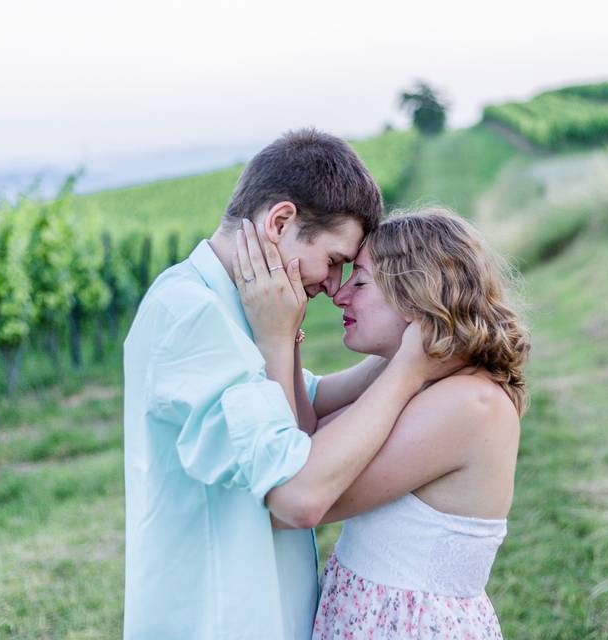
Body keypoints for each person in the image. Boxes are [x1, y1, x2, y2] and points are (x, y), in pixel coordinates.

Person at [122, 129, 455, 640]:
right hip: (222, 616)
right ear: (281, 221)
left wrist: (418, 340)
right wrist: (281, 339)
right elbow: (290, 480)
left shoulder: (235, 305)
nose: (332, 285)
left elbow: (307, 404)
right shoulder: (190, 314)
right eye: (335, 261)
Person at [237, 208, 530, 639]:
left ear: (417, 296)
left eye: (360, 280)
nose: (340, 295)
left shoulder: (469, 403)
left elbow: (298, 494)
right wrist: (289, 334)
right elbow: (308, 438)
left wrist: (276, 340)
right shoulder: (411, 370)